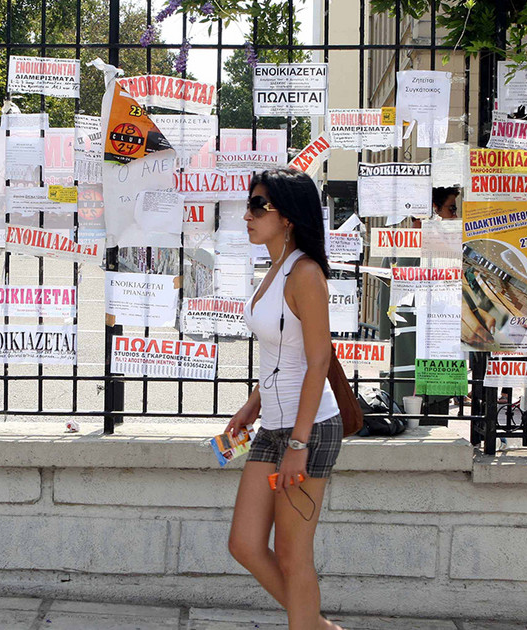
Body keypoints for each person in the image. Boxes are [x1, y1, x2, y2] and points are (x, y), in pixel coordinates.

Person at [226, 168, 344, 630]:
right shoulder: (274, 269)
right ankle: (318, 626)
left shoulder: (305, 273)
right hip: (273, 425)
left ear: (288, 217)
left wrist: (299, 443)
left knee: (294, 556)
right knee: (245, 544)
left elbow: (318, 361)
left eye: (259, 206)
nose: (248, 215)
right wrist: (252, 405)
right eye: (250, 205)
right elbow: (282, 354)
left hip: (308, 430)